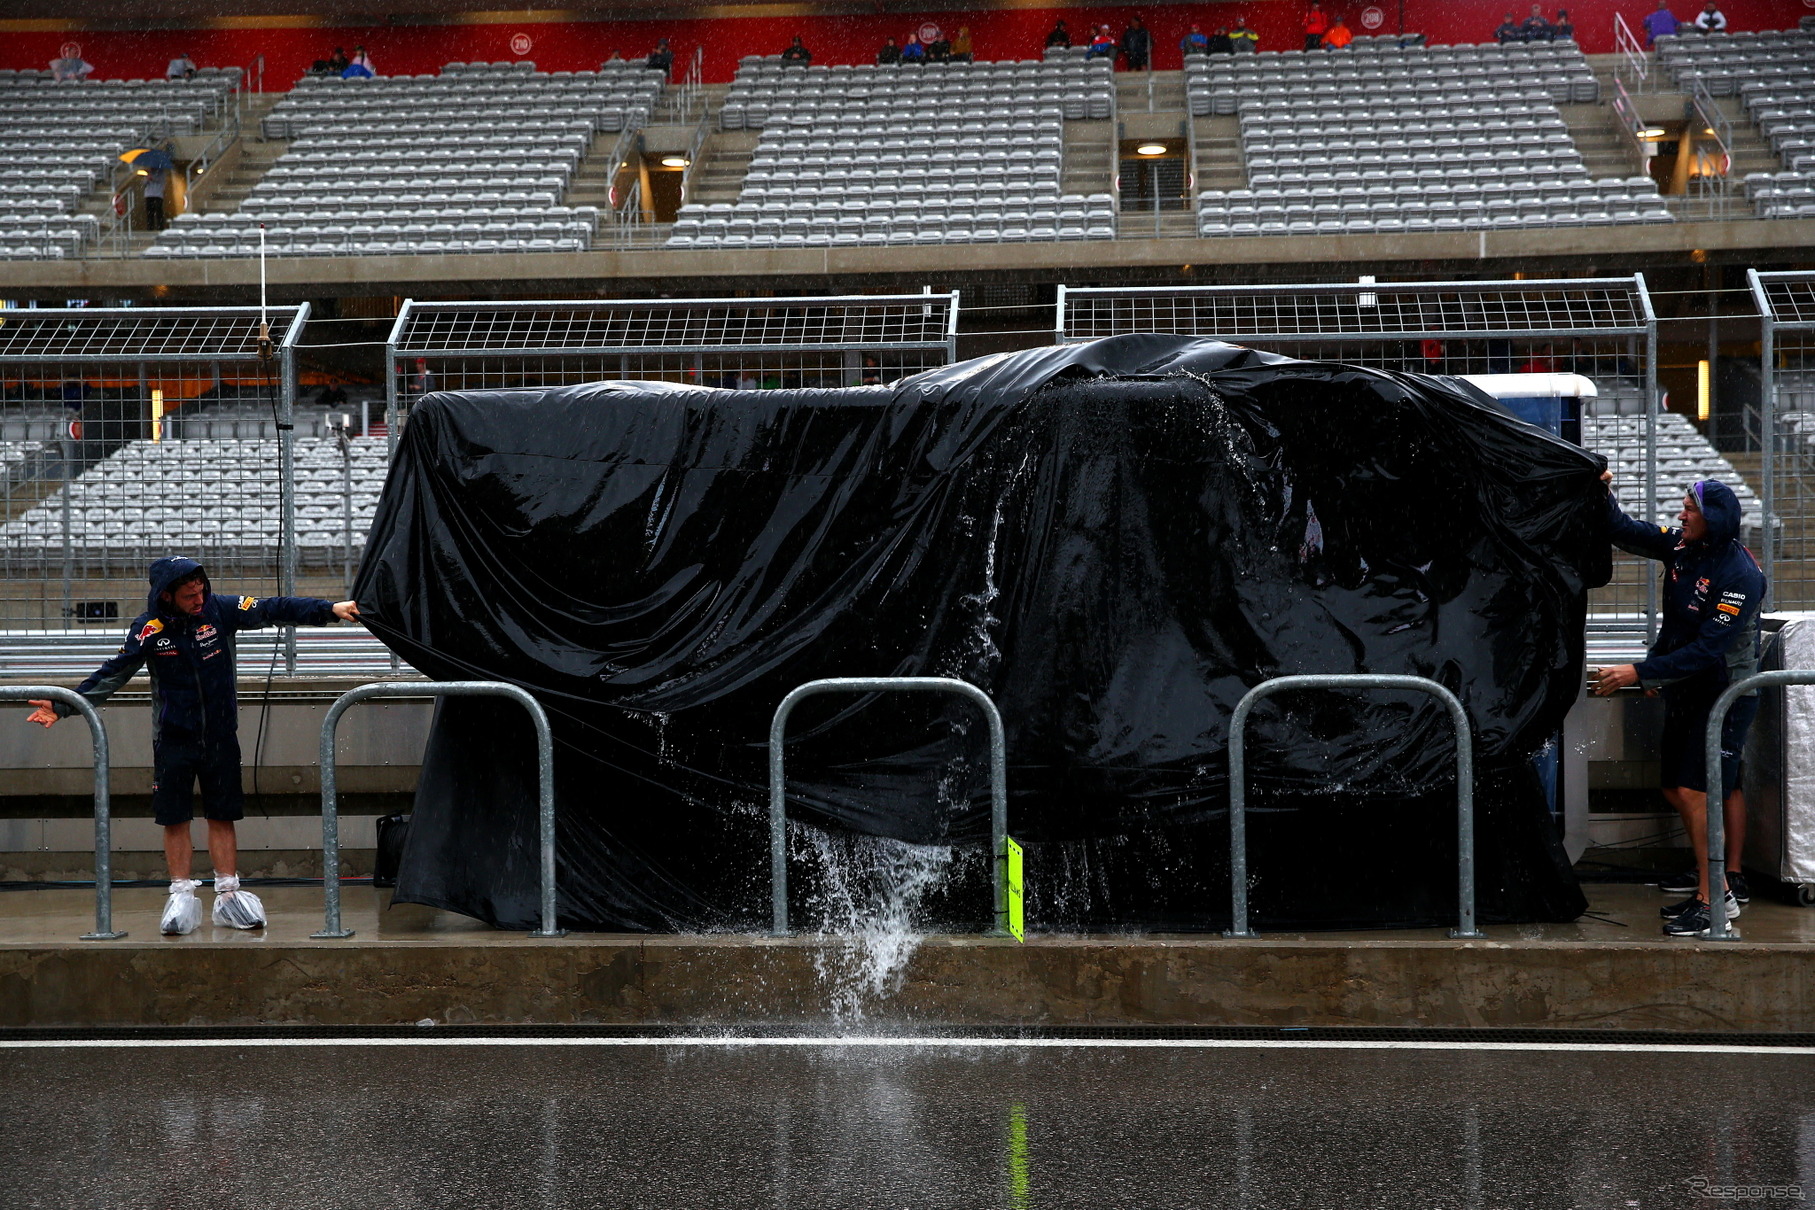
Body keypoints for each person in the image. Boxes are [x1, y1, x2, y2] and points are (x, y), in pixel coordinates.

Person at [26, 558, 362, 935]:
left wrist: (330, 610)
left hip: (220, 736)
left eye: (201, 590)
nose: (199, 598)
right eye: (189, 595)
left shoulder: (221, 609)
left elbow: (273, 607)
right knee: (174, 817)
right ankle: (181, 895)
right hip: (172, 739)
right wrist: (62, 706)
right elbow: (113, 673)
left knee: (223, 814)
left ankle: (229, 894)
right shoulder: (149, 630)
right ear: (166, 595)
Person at [1594, 478, 1765, 937]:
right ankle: (1712, 883)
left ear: (1713, 519)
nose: (1681, 514)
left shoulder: (1742, 575)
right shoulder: (1683, 546)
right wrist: (1596, 487)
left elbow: (1710, 648)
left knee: (1699, 792)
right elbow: (1624, 529)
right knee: (1675, 787)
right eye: (1683, 506)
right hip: (1688, 689)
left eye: (1690, 508)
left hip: (1725, 695)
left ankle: (1717, 899)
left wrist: (1641, 672)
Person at [142, 167, 167, 231]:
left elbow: (161, 180)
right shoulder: (148, 173)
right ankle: (150, 227)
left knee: (159, 212)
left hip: (158, 194)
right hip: (149, 194)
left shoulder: (161, 173)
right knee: (150, 213)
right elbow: (144, 183)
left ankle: (160, 227)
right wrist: (147, 178)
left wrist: (152, 178)